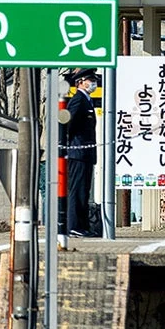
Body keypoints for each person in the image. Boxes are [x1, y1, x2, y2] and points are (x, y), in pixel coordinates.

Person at [60, 68, 99, 236]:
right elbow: (67, 122)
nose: (93, 82)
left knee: (84, 191)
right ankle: (74, 226)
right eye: (90, 79)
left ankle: (82, 226)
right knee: (77, 190)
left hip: (86, 154)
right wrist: (68, 143)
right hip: (78, 152)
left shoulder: (87, 100)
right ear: (80, 82)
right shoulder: (78, 100)